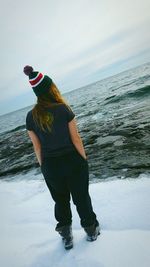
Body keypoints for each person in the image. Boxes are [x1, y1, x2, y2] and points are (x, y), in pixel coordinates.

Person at [24, 65, 100, 250]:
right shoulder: (63, 109)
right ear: (49, 88)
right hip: (73, 162)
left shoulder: (30, 117)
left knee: (60, 200)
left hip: (50, 166)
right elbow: (76, 139)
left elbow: (37, 146)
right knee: (81, 197)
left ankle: (66, 235)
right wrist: (84, 159)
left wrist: (44, 167)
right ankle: (91, 230)